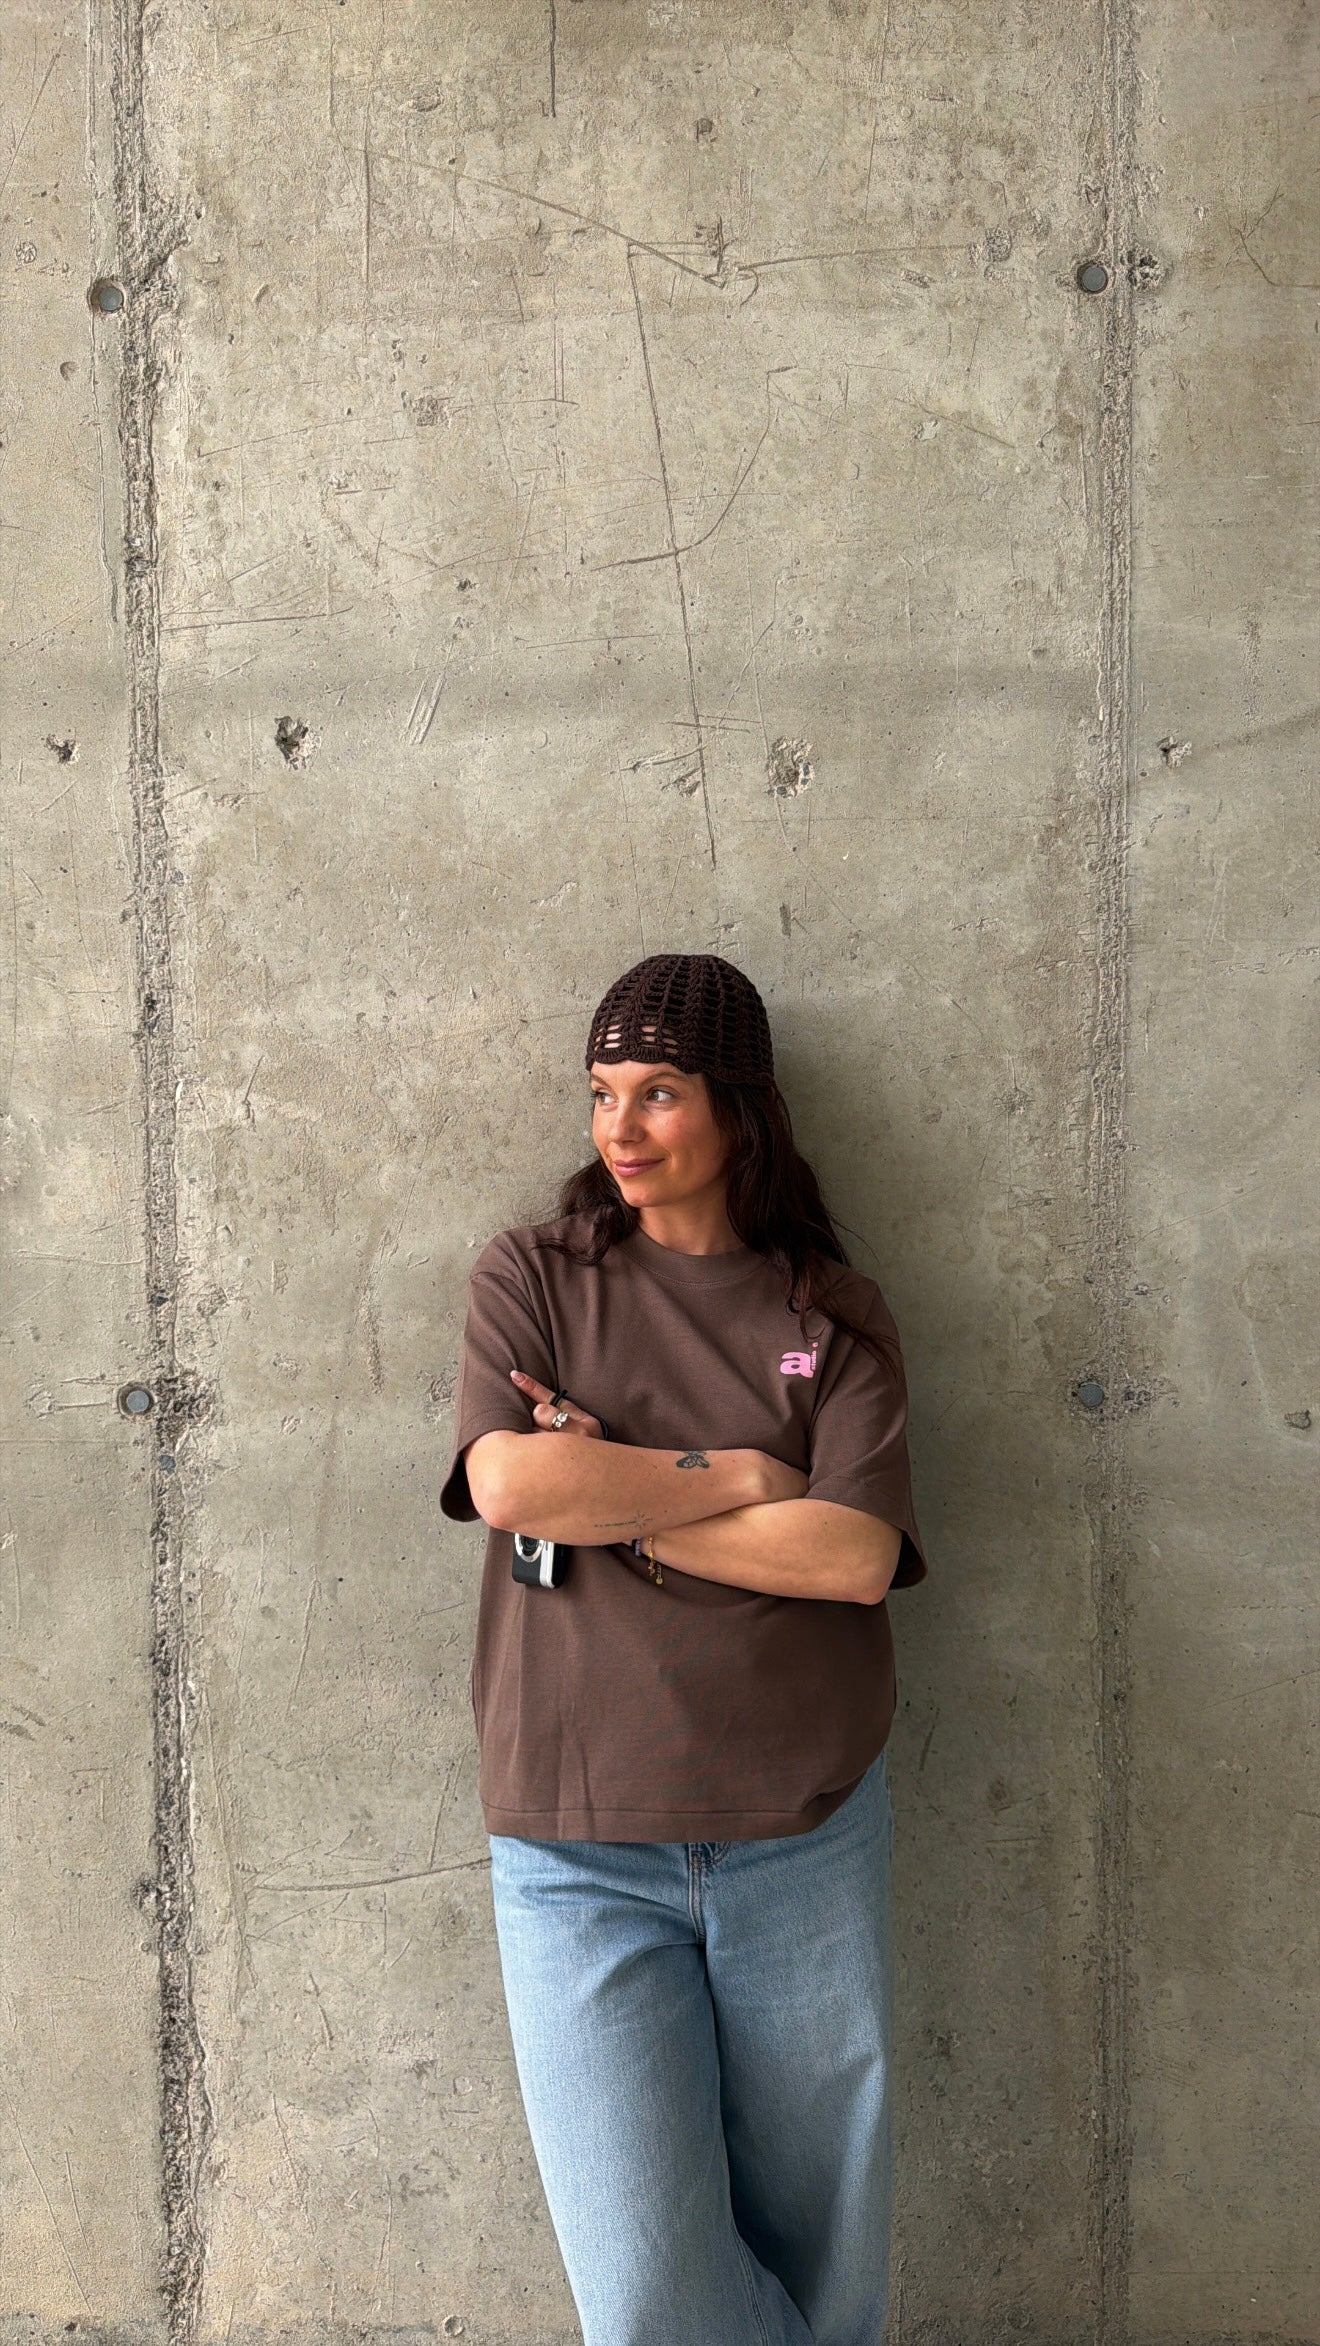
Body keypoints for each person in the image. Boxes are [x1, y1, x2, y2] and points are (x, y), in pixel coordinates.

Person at [440, 951, 929, 2346]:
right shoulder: (536, 1275)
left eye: (659, 1091)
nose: (622, 1126)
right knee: (648, 2293)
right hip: (577, 1845)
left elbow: (853, 1557)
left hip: (803, 1833)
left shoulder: (828, 1312)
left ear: (739, 1106)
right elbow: (510, 1483)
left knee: (823, 2259)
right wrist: (744, 1478)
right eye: (603, 1092)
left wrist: (626, 1505)